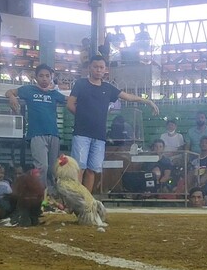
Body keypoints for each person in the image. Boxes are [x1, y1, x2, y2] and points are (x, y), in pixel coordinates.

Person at [67, 55, 159, 192]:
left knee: (93, 170)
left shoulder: (108, 88)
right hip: (81, 133)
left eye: (101, 67)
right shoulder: (81, 84)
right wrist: (83, 117)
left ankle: (86, 201)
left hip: (99, 136)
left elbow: (128, 96)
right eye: (95, 67)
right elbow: (70, 104)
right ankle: (76, 199)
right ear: (89, 68)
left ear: (105, 70)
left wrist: (148, 101)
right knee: (79, 168)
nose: (98, 70)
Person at [6, 64, 66, 188]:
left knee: (53, 169)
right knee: (42, 167)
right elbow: (9, 91)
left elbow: (70, 100)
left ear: (51, 78)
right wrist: (12, 97)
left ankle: (52, 195)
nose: (44, 78)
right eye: (41, 76)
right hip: (36, 134)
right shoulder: (28, 90)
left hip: (54, 135)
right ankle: (41, 196)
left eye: (47, 76)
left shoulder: (54, 94)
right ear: (36, 77)